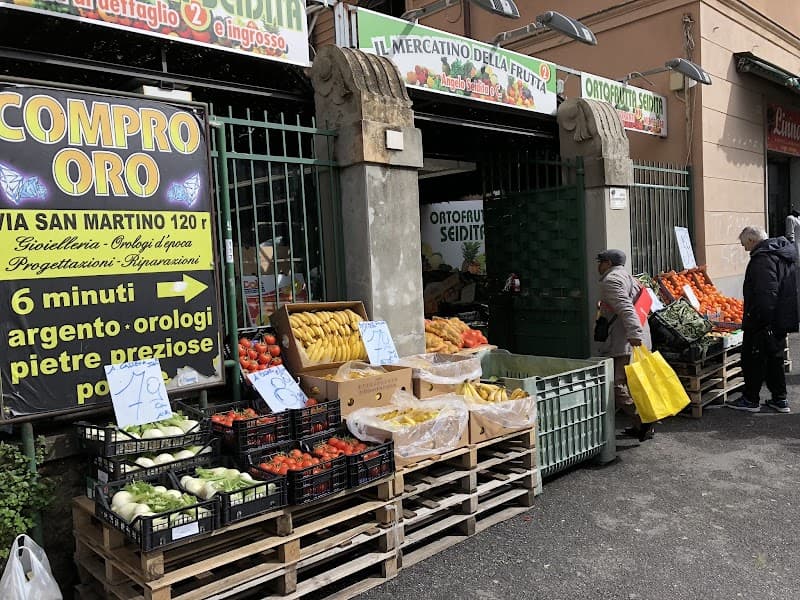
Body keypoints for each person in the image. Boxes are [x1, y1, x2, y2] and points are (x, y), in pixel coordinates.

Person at [727, 226, 799, 413]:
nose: (743, 248)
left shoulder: (762, 259)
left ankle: (751, 399)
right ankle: (780, 399)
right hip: (780, 316)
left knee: (754, 359)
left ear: (752, 240)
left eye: (744, 243)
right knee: (774, 359)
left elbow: (767, 293)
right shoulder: (780, 253)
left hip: (765, 320)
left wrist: (760, 320)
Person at [596, 249, 654, 441]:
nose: (599, 265)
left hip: (625, 339)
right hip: (634, 335)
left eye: (601, 261)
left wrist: (634, 334)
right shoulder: (629, 277)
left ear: (609, 263)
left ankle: (641, 420)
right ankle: (642, 424)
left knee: (616, 384)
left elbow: (626, 308)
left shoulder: (612, 280)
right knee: (633, 383)